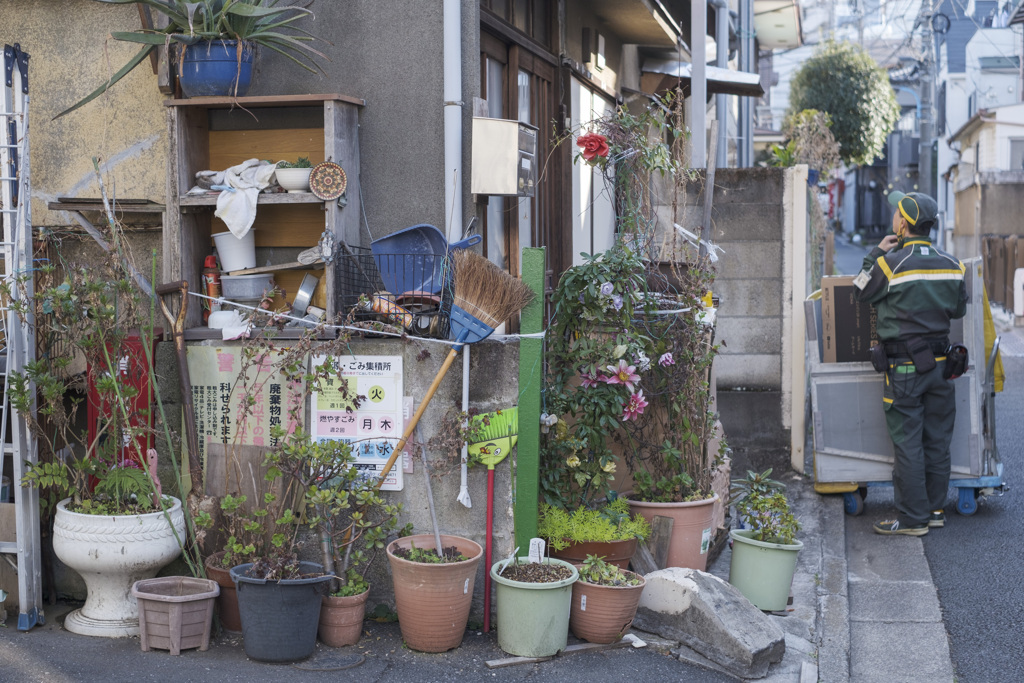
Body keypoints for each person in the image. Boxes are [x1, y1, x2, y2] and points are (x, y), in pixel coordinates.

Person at [853, 191, 967, 536]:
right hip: (943, 367)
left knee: (908, 444)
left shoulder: (891, 263)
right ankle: (934, 510)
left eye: (896, 213)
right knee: (936, 441)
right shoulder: (953, 265)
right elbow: (958, 310)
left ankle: (914, 520)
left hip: (904, 370)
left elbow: (859, 291)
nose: (893, 217)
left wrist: (876, 253)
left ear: (903, 223)